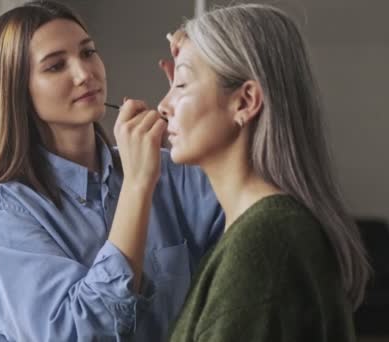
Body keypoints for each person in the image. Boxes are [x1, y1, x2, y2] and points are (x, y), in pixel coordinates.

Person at [0, 1, 223, 341]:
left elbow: (256, 219)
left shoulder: (171, 172)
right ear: (18, 92)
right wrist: (136, 187)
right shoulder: (4, 210)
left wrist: (207, 91)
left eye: (88, 53)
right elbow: (73, 335)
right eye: (56, 66)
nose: (84, 73)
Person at [151, 4, 370, 341]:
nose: (163, 106)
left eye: (180, 84)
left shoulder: (263, 244)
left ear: (245, 101)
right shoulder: (268, 230)